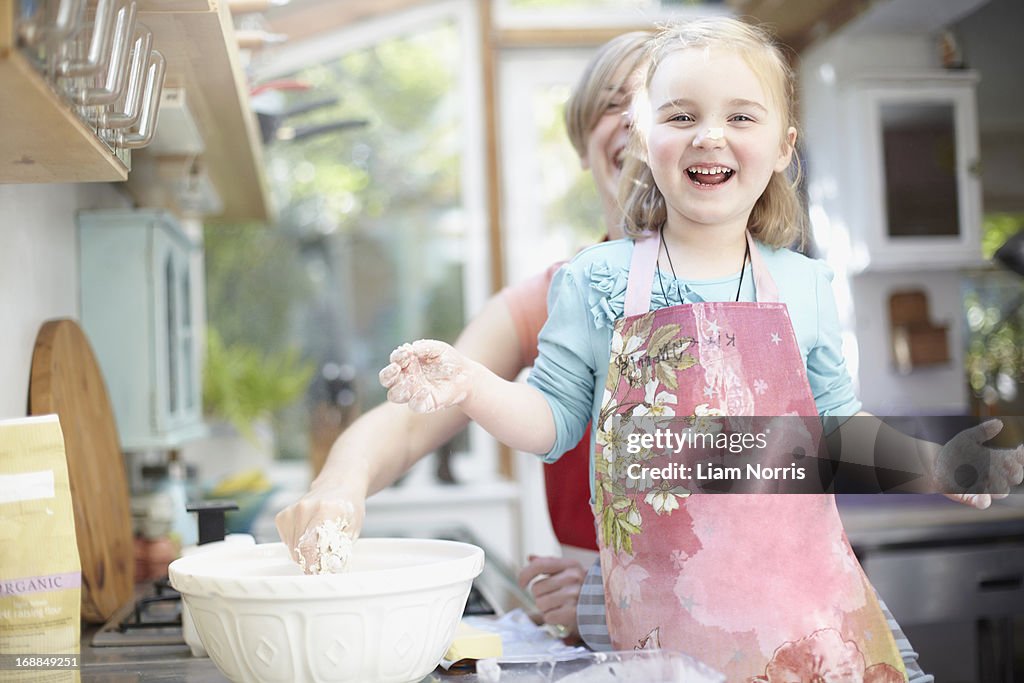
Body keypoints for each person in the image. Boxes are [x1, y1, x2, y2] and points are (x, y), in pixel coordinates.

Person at [380, 17, 1024, 681]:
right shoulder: (596, 282)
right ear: (645, 138)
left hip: (809, 628)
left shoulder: (804, 285)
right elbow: (550, 422)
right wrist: (471, 382)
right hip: (665, 640)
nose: (709, 134)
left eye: (741, 116)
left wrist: (937, 464)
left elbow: (837, 432)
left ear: (782, 146)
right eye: (681, 115)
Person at [275, 31, 652, 642]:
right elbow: (408, 419)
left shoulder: (755, 284)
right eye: (613, 103)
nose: (634, 118)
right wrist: (339, 487)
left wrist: (619, 593)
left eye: (664, 102)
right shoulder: (552, 298)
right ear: (581, 144)